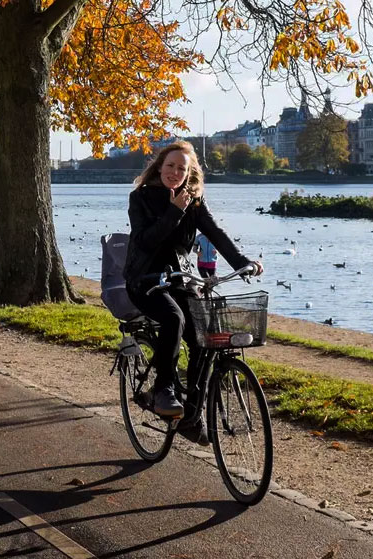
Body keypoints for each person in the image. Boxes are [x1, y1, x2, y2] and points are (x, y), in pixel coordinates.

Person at [124, 141, 263, 445]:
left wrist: (243, 263)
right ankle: (163, 390)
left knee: (204, 336)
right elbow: (146, 242)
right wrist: (173, 212)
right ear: (160, 167)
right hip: (144, 280)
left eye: (182, 169)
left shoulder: (194, 203)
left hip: (179, 279)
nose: (175, 173)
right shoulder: (141, 199)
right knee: (174, 318)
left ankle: (191, 415)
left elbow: (217, 234)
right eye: (171, 166)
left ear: (190, 173)